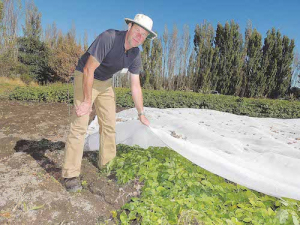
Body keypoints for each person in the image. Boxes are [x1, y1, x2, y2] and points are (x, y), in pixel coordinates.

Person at [62, 14, 157, 192]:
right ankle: (71, 174)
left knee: (109, 124)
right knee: (80, 124)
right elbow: (88, 69)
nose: (139, 36)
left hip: (105, 83)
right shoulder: (110, 38)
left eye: (144, 35)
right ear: (129, 27)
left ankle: (106, 164)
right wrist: (87, 101)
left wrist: (141, 113)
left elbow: (135, 85)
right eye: (137, 31)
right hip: (85, 76)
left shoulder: (135, 54)